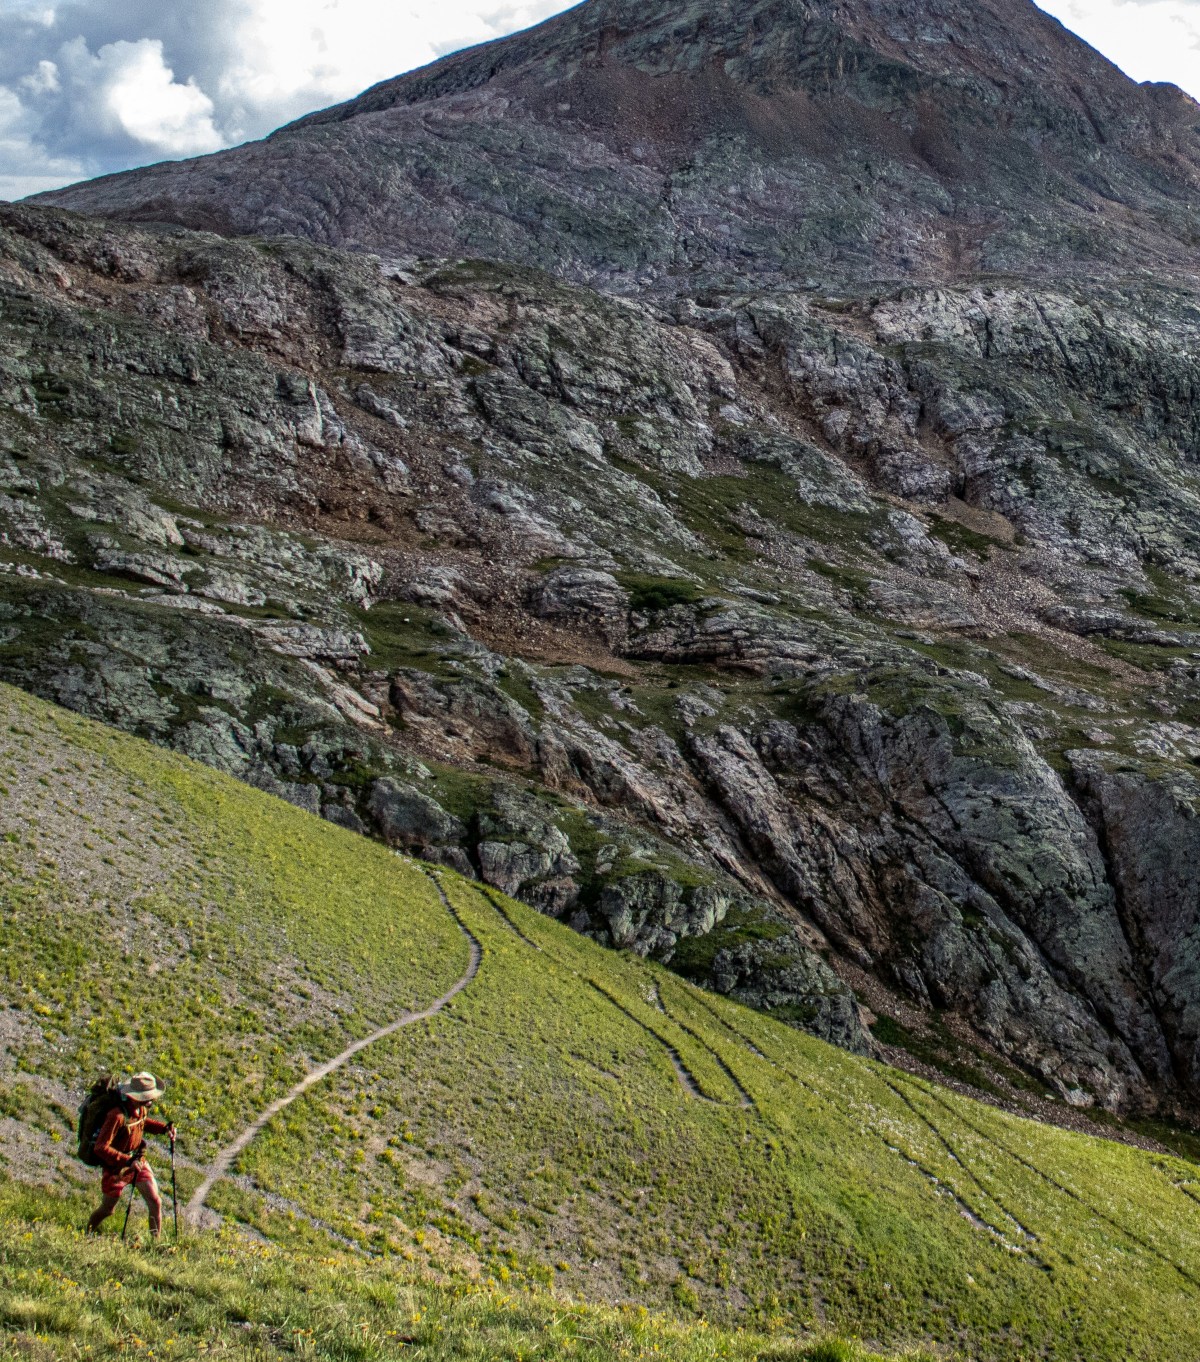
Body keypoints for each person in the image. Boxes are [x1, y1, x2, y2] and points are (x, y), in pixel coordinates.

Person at [86, 1072, 176, 1239]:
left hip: (137, 1161)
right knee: (108, 1210)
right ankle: (87, 1232)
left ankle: (154, 1244)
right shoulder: (116, 1116)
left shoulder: (140, 1109)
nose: (151, 1101)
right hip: (116, 1168)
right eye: (146, 1097)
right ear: (135, 1097)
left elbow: (142, 1123)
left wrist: (164, 1128)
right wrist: (127, 1160)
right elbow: (100, 1147)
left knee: (155, 1201)